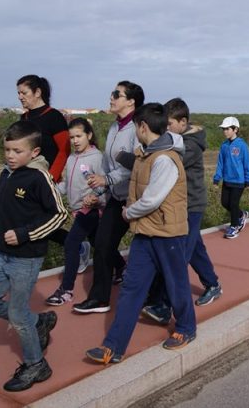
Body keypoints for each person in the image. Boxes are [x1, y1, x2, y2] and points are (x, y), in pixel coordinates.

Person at [85, 103, 196, 364]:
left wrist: (127, 213)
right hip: (146, 233)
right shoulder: (146, 154)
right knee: (132, 288)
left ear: (143, 127)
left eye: (136, 127)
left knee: (176, 284)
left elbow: (152, 199)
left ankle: (186, 328)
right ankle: (113, 346)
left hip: (168, 233)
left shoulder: (166, 159)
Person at [0, 121, 67, 392]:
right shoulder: (6, 174)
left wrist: (25, 235)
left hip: (26, 259)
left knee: (17, 314)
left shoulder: (38, 177)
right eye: (7, 149)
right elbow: (5, 215)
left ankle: (35, 364)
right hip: (2, 255)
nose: (10, 155)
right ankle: (38, 321)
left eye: (17, 150)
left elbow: (60, 215)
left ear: (34, 151)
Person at [142, 97, 222, 327]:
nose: (165, 129)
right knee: (194, 248)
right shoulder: (175, 140)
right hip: (178, 206)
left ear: (183, 122)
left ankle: (164, 306)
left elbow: (168, 161)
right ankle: (213, 284)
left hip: (191, 206)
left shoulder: (191, 145)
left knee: (177, 258)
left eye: (169, 124)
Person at [74, 81, 144, 314]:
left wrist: (108, 179)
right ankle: (100, 299)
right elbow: (109, 161)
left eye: (116, 94)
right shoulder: (115, 126)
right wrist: (100, 182)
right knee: (102, 244)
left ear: (131, 101)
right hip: (117, 197)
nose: (111, 97)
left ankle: (158, 298)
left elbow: (136, 164)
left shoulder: (138, 127)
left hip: (136, 198)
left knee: (152, 250)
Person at [44, 118, 107, 306]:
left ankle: (66, 290)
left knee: (71, 243)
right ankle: (121, 268)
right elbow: (69, 185)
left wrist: (96, 198)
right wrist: (52, 190)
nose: (75, 141)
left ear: (89, 135)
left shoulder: (97, 158)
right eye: (72, 137)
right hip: (77, 210)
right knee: (99, 243)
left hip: (90, 210)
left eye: (79, 136)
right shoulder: (72, 158)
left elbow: (104, 184)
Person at [17, 75, 70, 183]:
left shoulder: (54, 116)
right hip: (25, 179)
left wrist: (51, 177)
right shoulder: (23, 118)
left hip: (47, 179)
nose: (20, 97)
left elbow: (64, 150)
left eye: (24, 93)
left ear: (37, 92)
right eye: (18, 93)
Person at [213, 116, 249, 239]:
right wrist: (217, 178)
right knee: (225, 203)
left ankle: (234, 226)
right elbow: (220, 163)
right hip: (227, 180)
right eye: (223, 129)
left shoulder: (242, 146)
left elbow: (247, 163)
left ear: (235, 129)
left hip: (239, 181)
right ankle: (241, 215)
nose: (225, 131)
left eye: (227, 129)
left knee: (233, 204)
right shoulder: (224, 146)